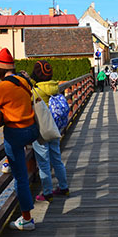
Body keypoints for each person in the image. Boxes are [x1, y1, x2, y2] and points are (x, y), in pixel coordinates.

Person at [0, 48, 39, 231]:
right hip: (32, 129)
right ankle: (8, 162)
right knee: (17, 162)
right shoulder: (22, 80)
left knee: (20, 178)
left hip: (17, 133)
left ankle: (26, 219)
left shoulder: (2, 87)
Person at [29, 60, 70, 203]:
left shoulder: (36, 91)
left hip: (41, 130)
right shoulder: (55, 87)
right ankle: (64, 187)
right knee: (57, 159)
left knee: (44, 162)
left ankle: (47, 193)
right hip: (55, 129)